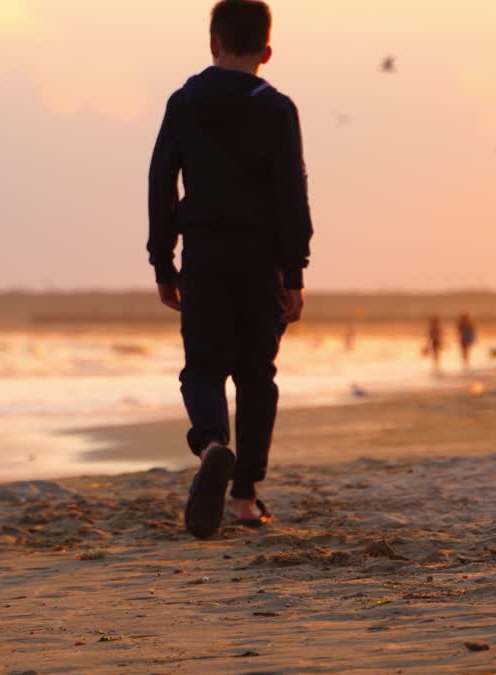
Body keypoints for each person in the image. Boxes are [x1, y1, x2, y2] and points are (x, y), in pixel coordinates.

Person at [147, 0, 312, 539]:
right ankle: (243, 496)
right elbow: (292, 193)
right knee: (256, 377)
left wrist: (162, 261)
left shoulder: (184, 102)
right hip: (260, 260)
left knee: (202, 370)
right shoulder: (278, 108)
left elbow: (161, 182)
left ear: (213, 44)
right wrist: (294, 273)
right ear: (267, 51)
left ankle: (213, 444)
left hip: (205, 254)